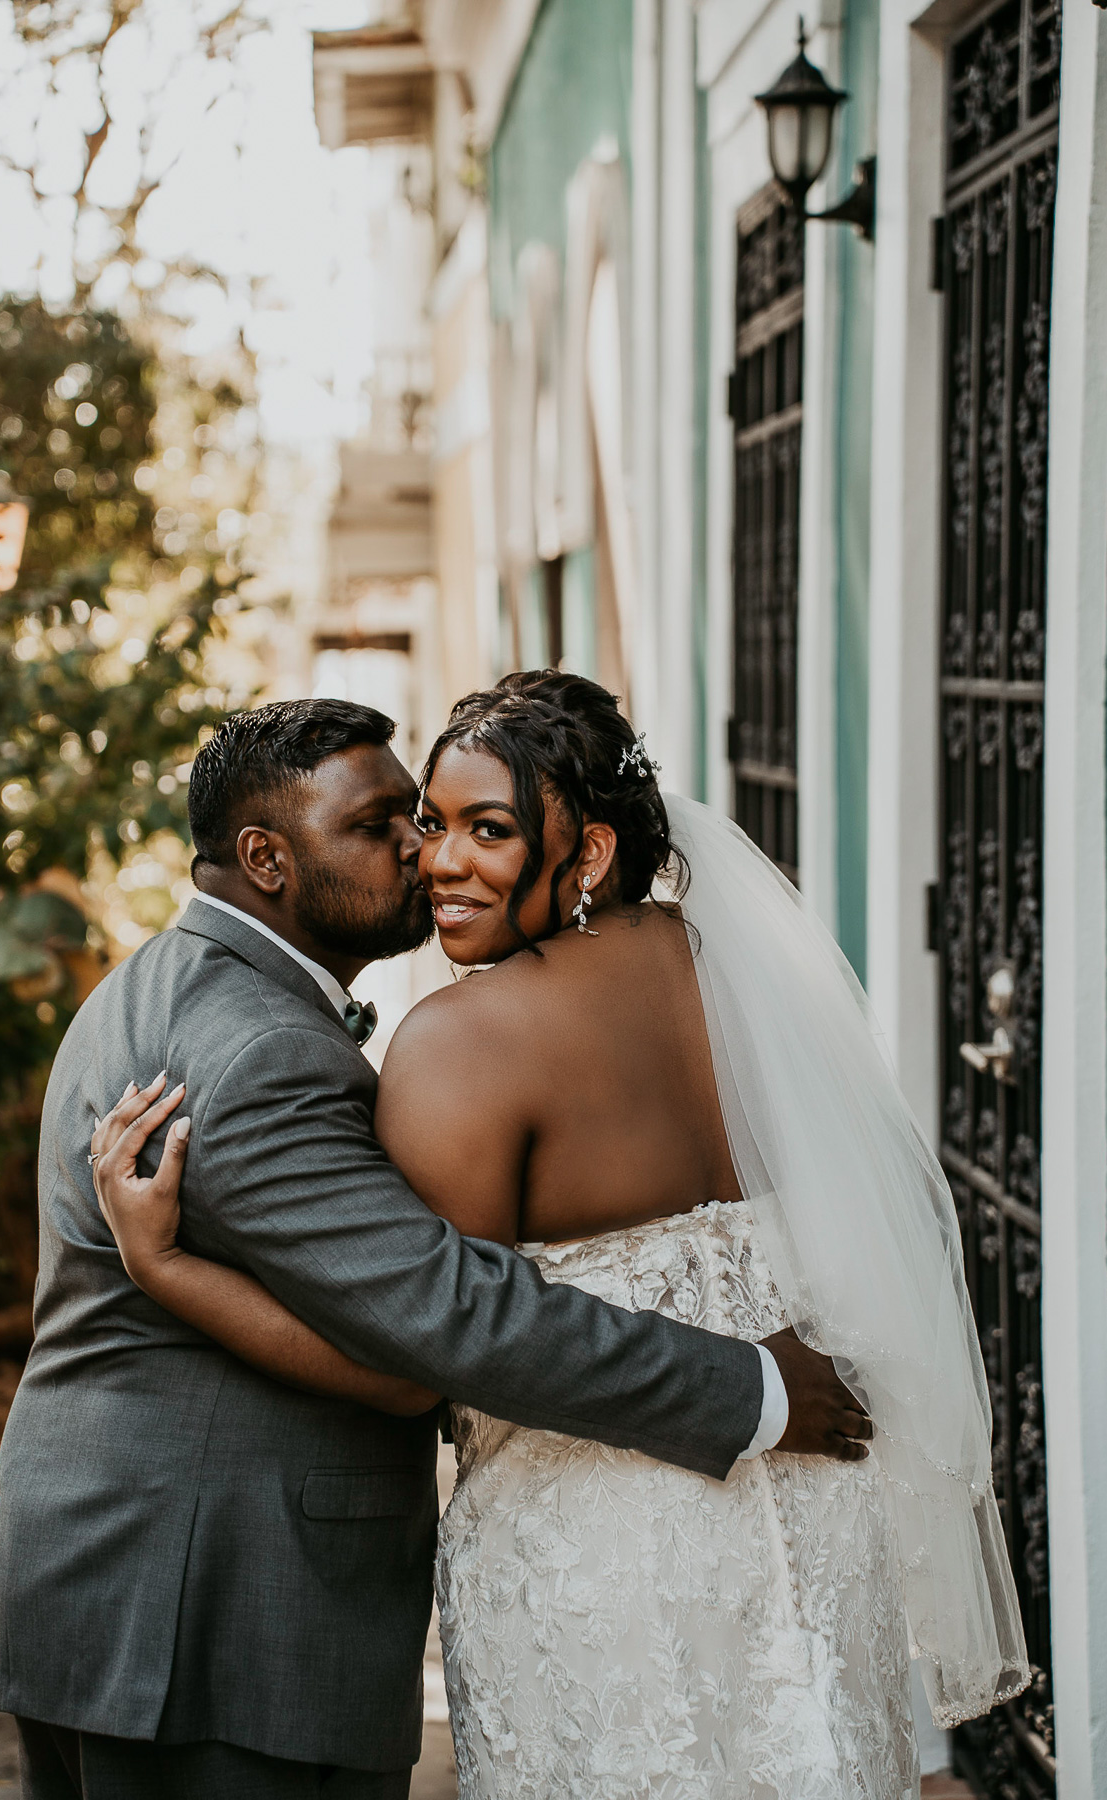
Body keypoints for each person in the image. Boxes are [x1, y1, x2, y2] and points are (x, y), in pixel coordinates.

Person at [92, 673, 1029, 1799]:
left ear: (585, 856)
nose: (436, 861)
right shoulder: (748, 987)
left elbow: (416, 1350)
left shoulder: (460, 1046)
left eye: (487, 830)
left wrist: (167, 1267)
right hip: (817, 1515)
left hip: (597, 1554)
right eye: (431, 825)